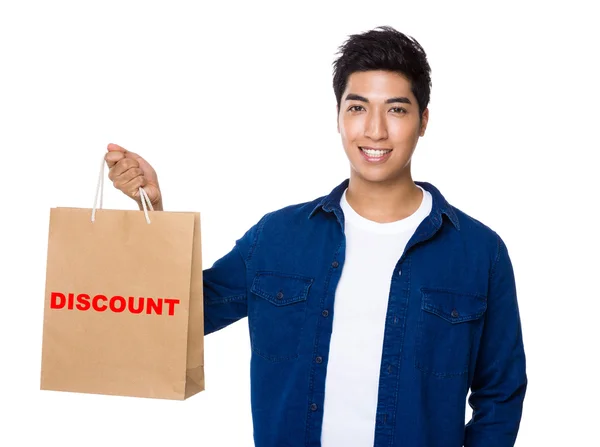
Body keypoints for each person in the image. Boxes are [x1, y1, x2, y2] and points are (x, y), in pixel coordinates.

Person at [105, 26, 527, 447]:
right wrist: (152, 212)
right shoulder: (277, 238)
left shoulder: (478, 252)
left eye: (396, 110)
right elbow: (181, 315)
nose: (375, 130)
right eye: (357, 108)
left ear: (423, 120)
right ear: (339, 117)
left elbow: (500, 394)